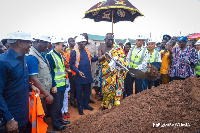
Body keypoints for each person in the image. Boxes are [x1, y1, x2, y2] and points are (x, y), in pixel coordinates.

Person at [0, 31, 40, 133]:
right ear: (20, 43)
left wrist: (30, 87)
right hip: (11, 119)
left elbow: (18, 80)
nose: (31, 44)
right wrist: (9, 119)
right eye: (29, 42)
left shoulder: (23, 59)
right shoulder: (3, 62)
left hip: (24, 116)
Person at [26, 35, 54, 120]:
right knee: (40, 115)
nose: (47, 46)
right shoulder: (32, 57)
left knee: (43, 113)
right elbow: (33, 79)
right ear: (37, 41)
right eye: (45, 43)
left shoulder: (40, 54)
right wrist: (47, 94)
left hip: (42, 92)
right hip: (39, 94)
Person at [98, 33, 128, 109]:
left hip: (117, 72)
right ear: (105, 40)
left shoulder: (117, 48)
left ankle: (115, 105)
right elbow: (99, 59)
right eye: (109, 40)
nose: (110, 42)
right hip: (107, 72)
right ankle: (106, 104)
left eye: (112, 40)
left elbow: (123, 59)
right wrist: (105, 56)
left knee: (117, 88)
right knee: (107, 89)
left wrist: (119, 61)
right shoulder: (101, 46)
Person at [70, 35, 98, 115]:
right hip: (79, 76)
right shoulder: (74, 52)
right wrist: (78, 71)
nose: (84, 44)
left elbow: (90, 59)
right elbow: (71, 64)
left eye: (84, 42)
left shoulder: (86, 51)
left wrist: (99, 58)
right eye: (83, 42)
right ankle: (80, 107)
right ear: (79, 43)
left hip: (87, 75)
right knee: (79, 93)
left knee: (87, 92)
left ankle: (86, 105)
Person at [46, 37, 70, 131]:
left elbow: (59, 69)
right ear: (56, 45)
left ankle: (60, 120)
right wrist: (53, 85)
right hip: (56, 86)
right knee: (55, 107)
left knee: (59, 105)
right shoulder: (50, 55)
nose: (64, 47)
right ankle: (56, 124)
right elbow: (50, 72)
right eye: (62, 45)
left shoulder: (59, 54)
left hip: (62, 84)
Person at [61, 38, 76, 119]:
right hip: (59, 79)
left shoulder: (66, 53)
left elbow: (68, 63)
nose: (63, 47)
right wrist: (66, 68)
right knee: (61, 96)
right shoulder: (57, 54)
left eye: (64, 45)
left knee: (66, 94)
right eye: (62, 46)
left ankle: (66, 110)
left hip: (66, 77)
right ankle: (61, 111)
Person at [80, 33, 97, 104]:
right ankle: (82, 99)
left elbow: (96, 56)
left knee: (90, 83)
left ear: (87, 38)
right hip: (81, 69)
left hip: (91, 68)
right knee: (82, 84)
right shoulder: (77, 46)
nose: (84, 39)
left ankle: (88, 98)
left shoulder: (93, 46)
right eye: (82, 38)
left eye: (85, 38)